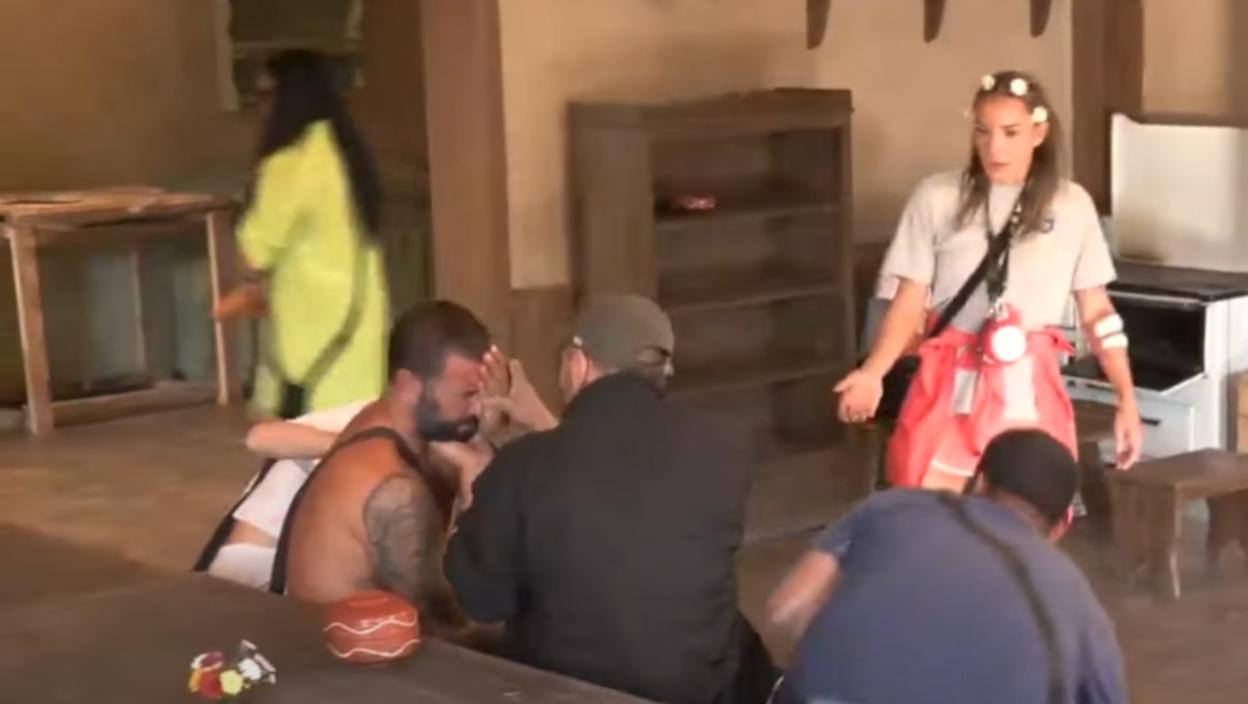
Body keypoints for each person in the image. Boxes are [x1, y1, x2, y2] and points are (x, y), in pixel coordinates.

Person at [444, 294, 779, 704]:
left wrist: (474, 471)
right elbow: (612, 477)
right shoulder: (724, 446)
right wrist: (545, 426)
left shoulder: (523, 466)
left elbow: (480, 599)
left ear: (578, 363)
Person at [834, 70, 1142, 491]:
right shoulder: (937, 197)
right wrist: (873, 373)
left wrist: (1126, 397)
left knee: (1026, 511)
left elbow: (1098, 313)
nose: (994, 147)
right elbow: (909, 301)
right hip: (950, 378)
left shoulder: (1072, 205)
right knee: (935, 510)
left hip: (1029, 383)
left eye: (1010, 133)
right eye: (983, 131)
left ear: (1038, 133)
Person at [766, 429, 1128, 704]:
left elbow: (785, 611)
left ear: (980, 481)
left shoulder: (895, 507)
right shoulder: (1081, 605)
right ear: (1061, 526)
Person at [270, 301, 492, 640]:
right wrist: (475, 497)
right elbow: (446, 626)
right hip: (343, 663)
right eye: (468, 395)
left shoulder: (383, 420)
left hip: (359, 645)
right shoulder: (394, 488)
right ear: (409, 386)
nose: (478, 409)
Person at [224, 49, 389, 419]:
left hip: (311, 348)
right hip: (358, 338)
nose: (260, 108)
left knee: (293, 446)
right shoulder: (347, 156)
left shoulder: (289, 166)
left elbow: (253, 254)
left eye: (266, 95)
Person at [194, 401, 366, 590]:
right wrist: (362, 445)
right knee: (293, 461)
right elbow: (259, 438)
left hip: (333, 566)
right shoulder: (369, 415)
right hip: (259, 563)